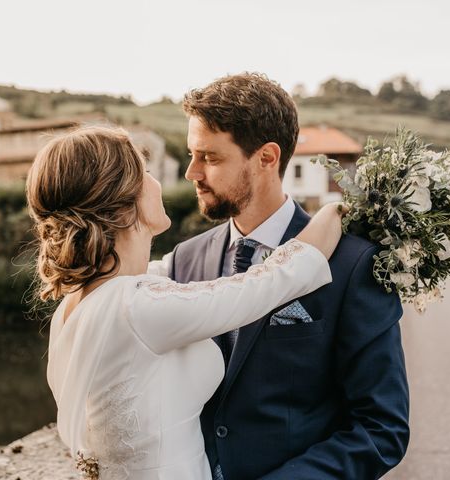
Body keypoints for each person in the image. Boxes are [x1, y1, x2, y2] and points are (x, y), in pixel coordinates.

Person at [27, 125, 346, 480]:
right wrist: (338, 211)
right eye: (145, 173)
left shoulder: (76, 306)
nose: (159, 181)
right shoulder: (137, 306)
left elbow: (153, 277)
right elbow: (270, 283)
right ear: (121, 205)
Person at [161, 73, 409, 480]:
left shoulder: (352, 263)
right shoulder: (183, 262)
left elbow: (381, 428)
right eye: (192, 154)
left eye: (210, 157)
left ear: (266, 157)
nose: (192, 172)